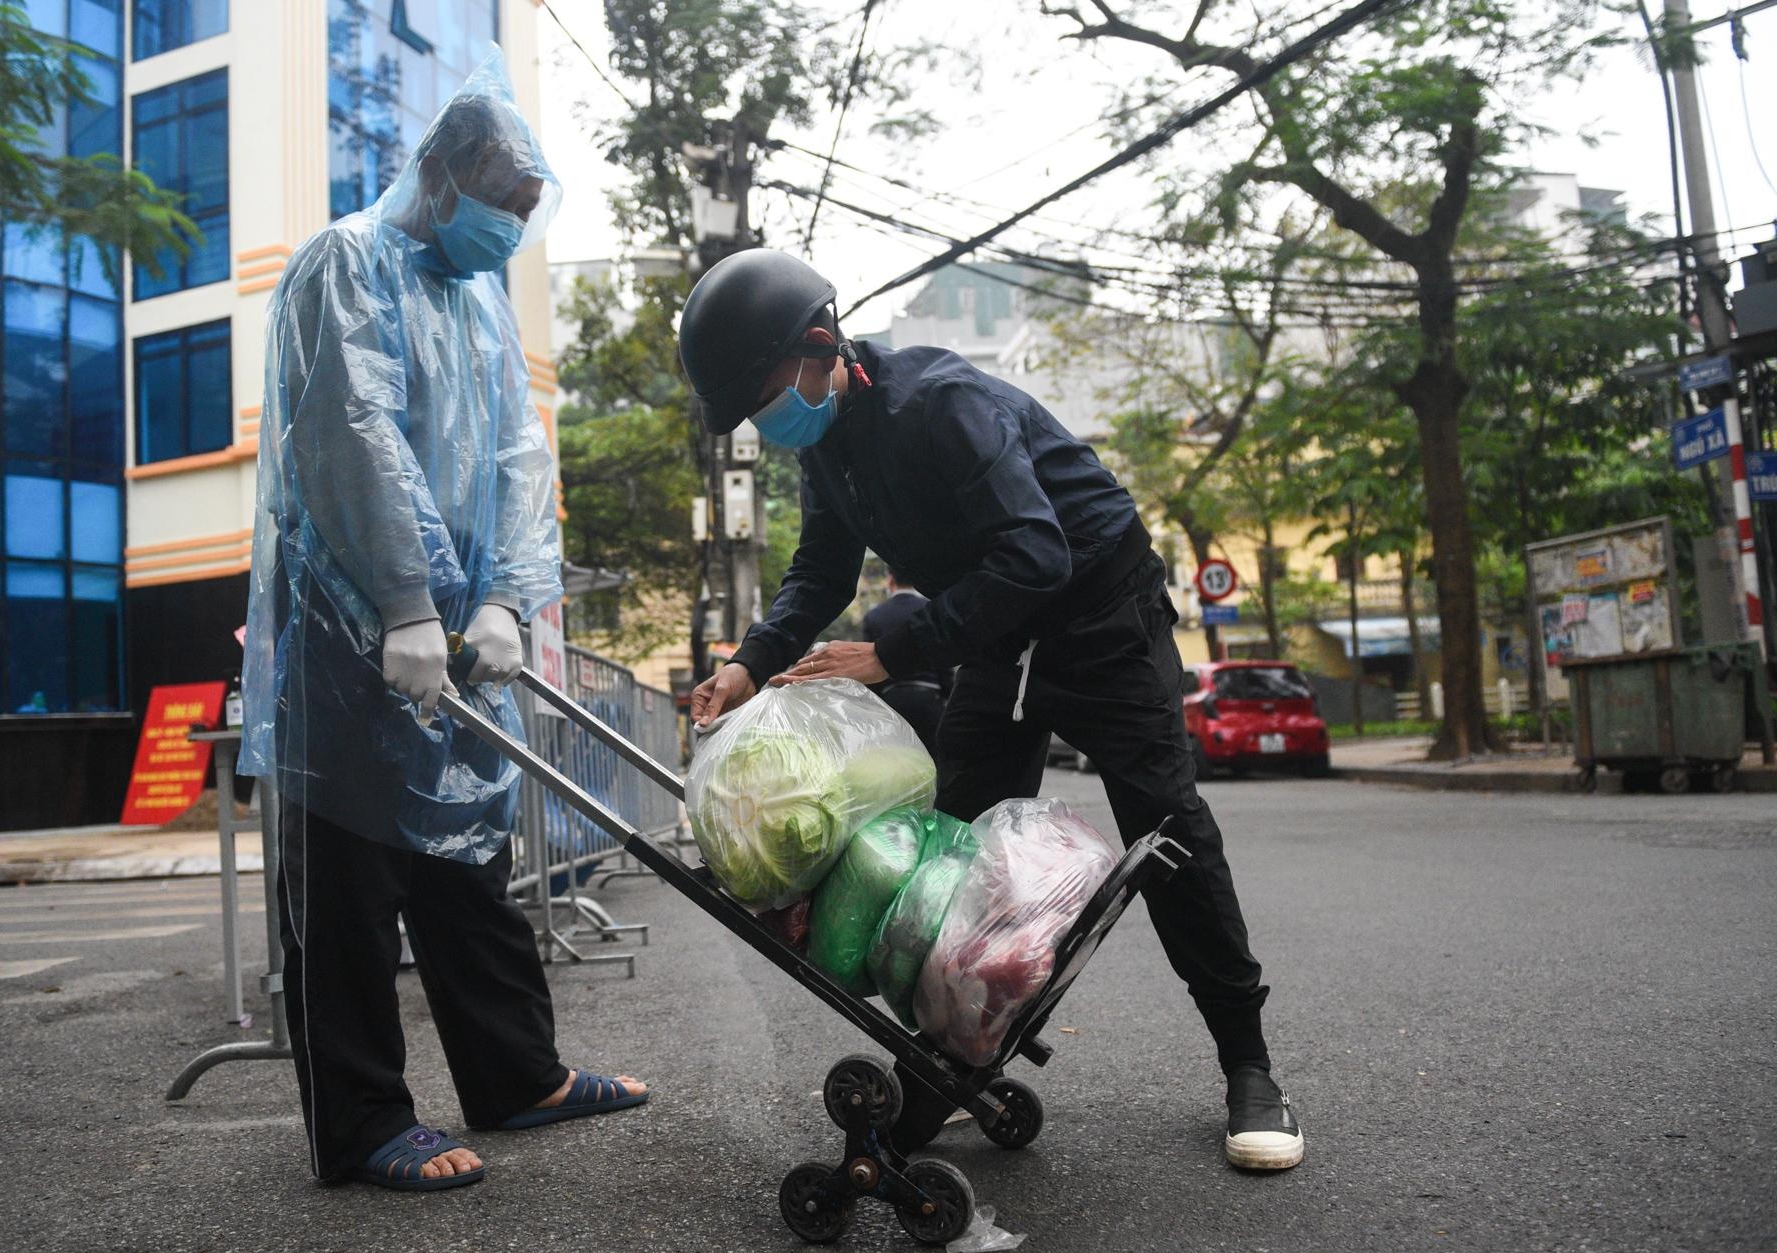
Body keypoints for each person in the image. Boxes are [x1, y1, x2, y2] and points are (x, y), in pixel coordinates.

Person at [678, 248, 1302, 1172]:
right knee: (952, 859)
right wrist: (748, 664)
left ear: (821, 347)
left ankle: (1249, 1067)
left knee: (1166, 831)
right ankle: (953, 1061)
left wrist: (893, 653)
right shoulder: (829, 448)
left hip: (1099, 614)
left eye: (765, 397)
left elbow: (1036, 556)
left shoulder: (940, 404)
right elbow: (820, 573)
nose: (768, 423)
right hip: (996, 635)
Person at [238, 49, 645, 1193]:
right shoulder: (343, 264)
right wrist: (408, 600)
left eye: (527, 211)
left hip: (462, 629)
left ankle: (520, 1074)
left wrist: (510, 596)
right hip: (348, 620)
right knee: (350, 878)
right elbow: (347, 438)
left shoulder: (477, 306)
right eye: (503, 203)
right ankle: (363, 1121)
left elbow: (517, 460)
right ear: (446, 170)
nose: (511, 229)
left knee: (469, 858)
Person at [861, 569, 951, 754]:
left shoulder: (875, 616)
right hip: (929, 697)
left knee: (895, 759)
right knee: (937, 757)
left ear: (890, 580)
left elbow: (868, 665)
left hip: (892, 701)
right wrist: (947, 692)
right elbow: (944, 659)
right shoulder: (932, 610)